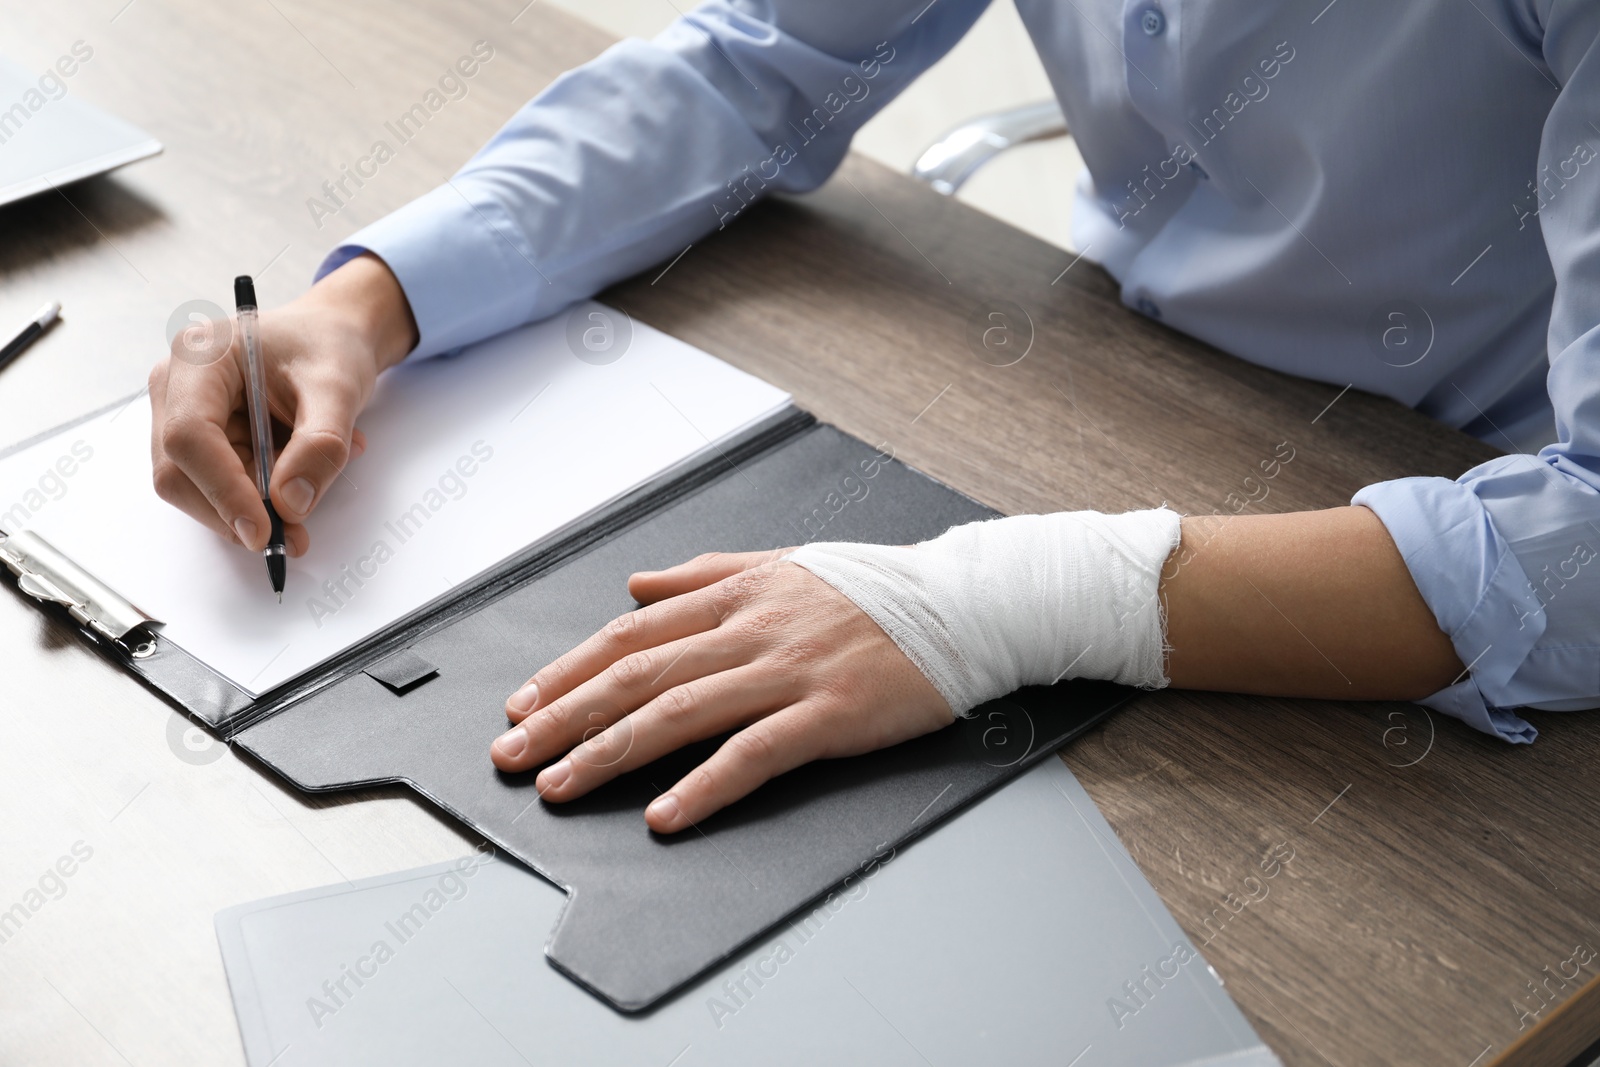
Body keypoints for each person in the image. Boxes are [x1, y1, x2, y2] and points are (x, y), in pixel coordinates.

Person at [148, 1, 1600, 834]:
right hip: (1121, 390)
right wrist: (364, 304)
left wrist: (998, 599)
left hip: (1449, 541)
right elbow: (759, 64)